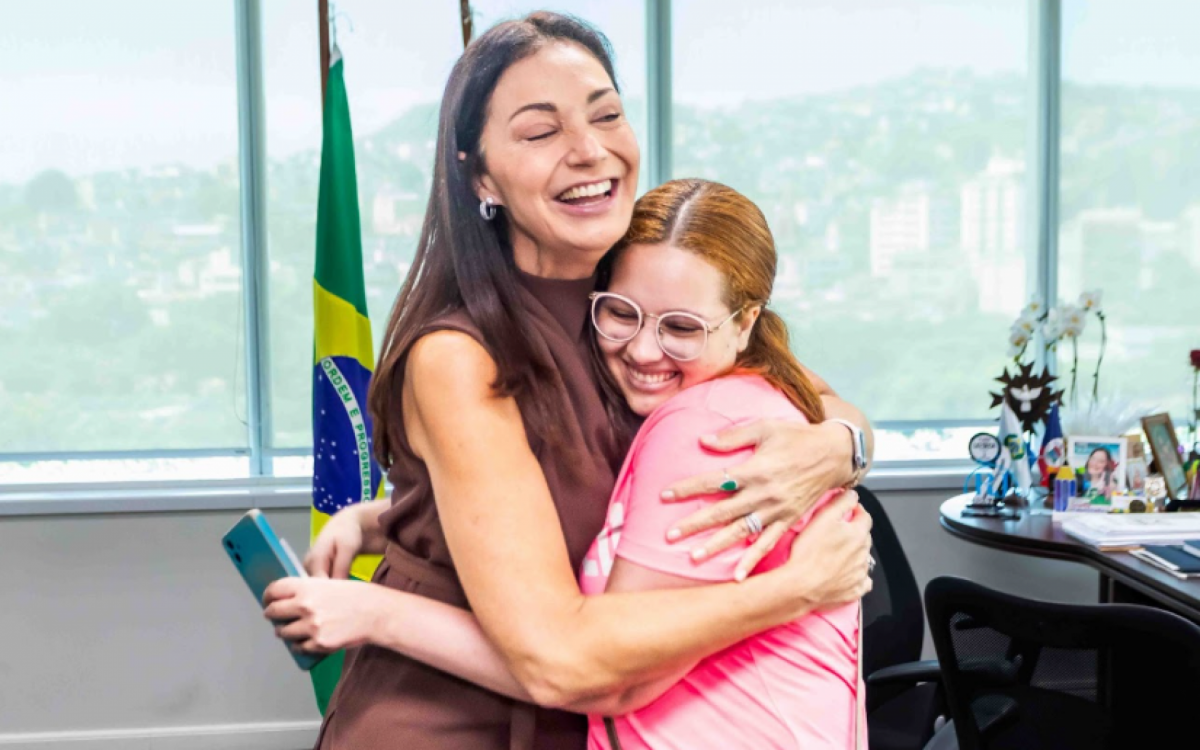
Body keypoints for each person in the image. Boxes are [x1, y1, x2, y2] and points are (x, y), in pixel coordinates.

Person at [263, 13, 873, 750]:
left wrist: (839, 447)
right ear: (479, 175)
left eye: (605, 115)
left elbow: (812, 398)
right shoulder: (459, 356)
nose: (588, 149)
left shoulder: (638, 296)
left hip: (599, 724)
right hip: (449, 726)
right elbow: (559, 662)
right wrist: (794, 590)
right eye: (540, 131)